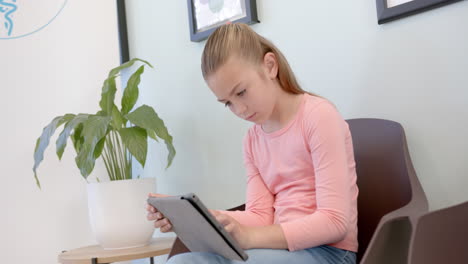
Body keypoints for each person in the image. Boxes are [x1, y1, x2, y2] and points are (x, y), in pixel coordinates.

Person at [147, 23, 359, 264]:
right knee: (181, 262)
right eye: (227, 103)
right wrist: (196, 217)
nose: (240, 110)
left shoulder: (319, 116)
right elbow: (260, 216)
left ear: (270, 66)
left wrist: (249, 237)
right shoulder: (252, 140)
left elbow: (335, 222)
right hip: (281, 252)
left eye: (241, 92)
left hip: (329, 252)